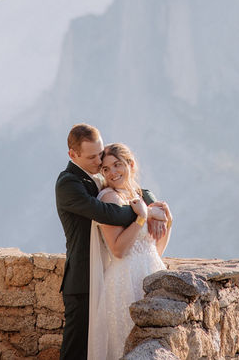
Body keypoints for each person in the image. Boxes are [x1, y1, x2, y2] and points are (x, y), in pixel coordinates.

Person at [56, 124, 167, 360]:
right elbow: (109, 213)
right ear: (73, 155)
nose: (99, 161)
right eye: (93, 156)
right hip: (83, 280)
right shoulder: (69, 184)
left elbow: (135, 189)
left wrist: (157, 207)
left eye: (100, 154)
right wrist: (144, 215)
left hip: (109, 274)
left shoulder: (97, 175)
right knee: (76, 350)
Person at [88, 143, 172, 360]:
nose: (113, 172)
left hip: (150, 274)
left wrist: (169, 223)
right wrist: (142, 218)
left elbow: (154, 250)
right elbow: (118, 250)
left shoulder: (138, 196)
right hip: (125, 282)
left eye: (117, 165)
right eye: (106, 169)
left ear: (130, 164)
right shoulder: (109, 198)